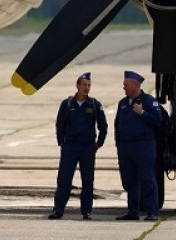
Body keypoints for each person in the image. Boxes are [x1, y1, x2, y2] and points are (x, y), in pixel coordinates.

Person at [48, 72, 108, 220]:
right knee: (64, 180)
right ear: (77, 85)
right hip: (70, 147)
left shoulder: (94, 104)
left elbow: (103, 126)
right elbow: (59, 124)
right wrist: (61, 141)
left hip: (87, 148)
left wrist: (98, 144)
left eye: (88, 85)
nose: (86, 88)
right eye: (84, 85)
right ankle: (58, 210)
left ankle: (86, 211)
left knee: (87, 181)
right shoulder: (67, 104)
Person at [114, 70, 162, 221]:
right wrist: (119, 145)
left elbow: (158, 120)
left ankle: (152, 211)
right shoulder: (122, 103)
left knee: (147, 179)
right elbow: (117, 125)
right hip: (126, 147)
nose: (124, 87)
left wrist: (142, 113)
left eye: (126, 85)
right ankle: (132, 212)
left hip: (143, 146)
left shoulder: (148, 101)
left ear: (135, 85)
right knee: (129, 181)